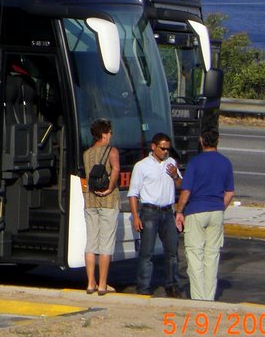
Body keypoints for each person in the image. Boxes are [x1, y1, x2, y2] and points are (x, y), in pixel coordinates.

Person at [175, 127, 235, 301]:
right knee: (212, 255)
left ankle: (198, 297)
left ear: (201, 141)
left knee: (194, 254)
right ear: (217, 141)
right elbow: (229, 193)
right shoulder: (225, 162)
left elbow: (186, 191)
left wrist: (179, 211)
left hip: (196, 211)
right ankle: (209, 297)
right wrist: (219, 208)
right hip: (216, 211)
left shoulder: (195, 162)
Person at [128, 133, 183, 297]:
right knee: (147, 253)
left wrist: (175, 175)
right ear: (153, 147)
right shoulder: (142, 166)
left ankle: (172, 284)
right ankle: (143, 287)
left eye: (168, 149)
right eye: (162, 148)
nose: (165, 152)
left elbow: (181, 184)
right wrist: (136, 216)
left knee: (172, 251)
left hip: (168, 211)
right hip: (150, 211)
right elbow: (133, 194)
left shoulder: (171, 163)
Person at [83, 118, 120, 295]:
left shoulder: (87, 153)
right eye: (110, 132)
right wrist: (110, 188)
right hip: (108, 202)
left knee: (91, 243)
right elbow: (116, 169)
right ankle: (103, 284)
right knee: (105, 245)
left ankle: (91, 283)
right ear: (104, 134)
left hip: (90, 201)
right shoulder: (112, 151)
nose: (111, 135)